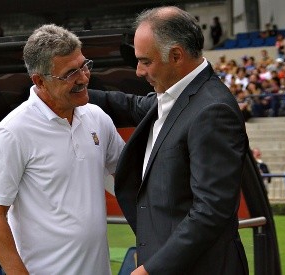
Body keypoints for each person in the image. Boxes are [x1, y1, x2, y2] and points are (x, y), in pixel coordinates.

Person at [89, 6, 249, 274]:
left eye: (145, 61)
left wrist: (152, 269)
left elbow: (211, 212)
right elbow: (130, 105)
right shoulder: (174, 96)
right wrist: (77, 91)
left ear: (176, 55)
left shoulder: (213, 111)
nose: (139, 71)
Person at [0, 24, 125, 274]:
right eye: (70, 73)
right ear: (40, 81)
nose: (83, 77)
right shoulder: (13, 132)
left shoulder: (97, 118)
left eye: (84, 65)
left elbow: (131, 174)